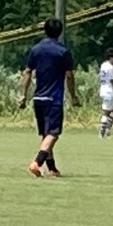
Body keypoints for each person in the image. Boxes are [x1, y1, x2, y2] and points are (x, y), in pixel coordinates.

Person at [19, 18, 80, 178]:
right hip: (54, 98)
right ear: (60, 32)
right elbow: (69, 75)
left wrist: (23, 95)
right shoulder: (62, 51)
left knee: (45, 135)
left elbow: (27, 72)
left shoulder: (36, 49)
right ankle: (37, 162)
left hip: (38, 98)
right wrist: (73, 96)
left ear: (44, 30)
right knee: (53, 133)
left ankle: (52, 169)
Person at [97, 48, 113, 138]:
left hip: (103, 89)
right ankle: (102, 131)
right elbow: (112, 80)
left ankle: (107, 128)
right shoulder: (110, 67)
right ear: (111, 57)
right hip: (109, 91)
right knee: (106, 112)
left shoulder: (103, 65)